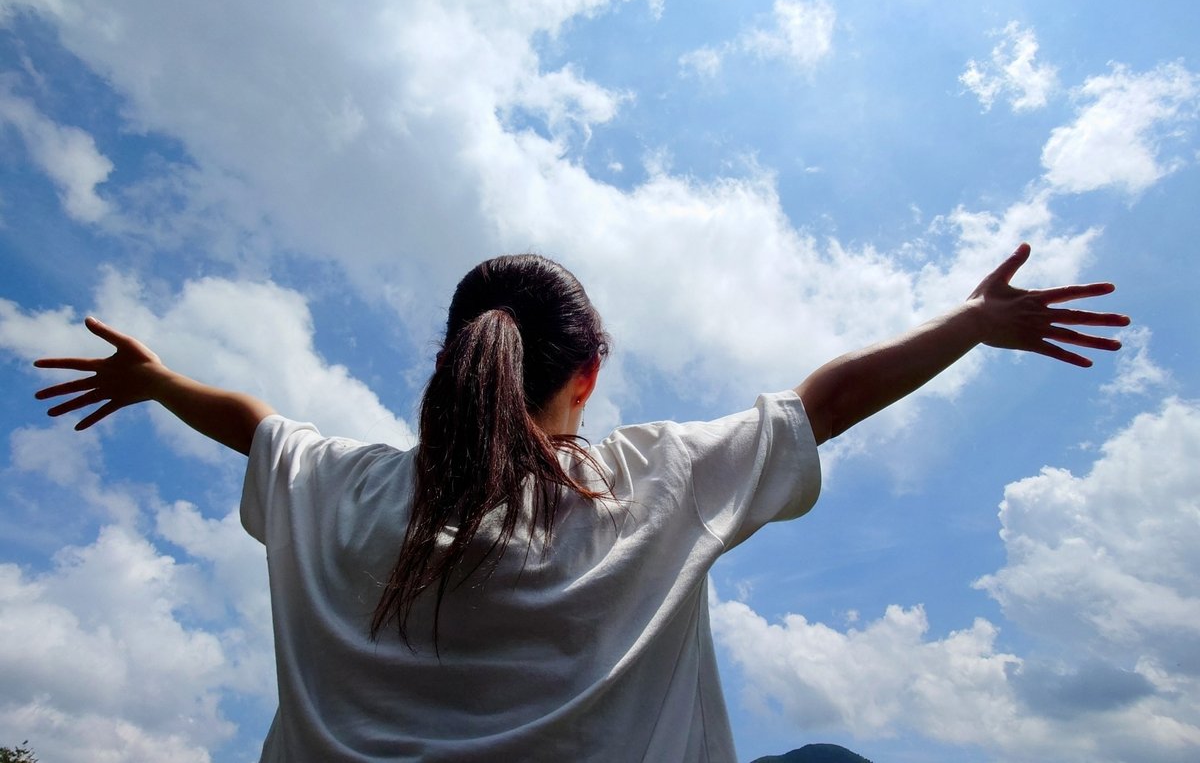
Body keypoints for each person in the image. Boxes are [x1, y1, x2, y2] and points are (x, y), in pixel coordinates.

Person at [34, 245, 1128, 762]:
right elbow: (824, 403)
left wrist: (157, 382)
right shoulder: (647, 483)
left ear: (453, 359)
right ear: (586, 374)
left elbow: (255, 423)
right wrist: (964, 326)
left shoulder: (341, 489)